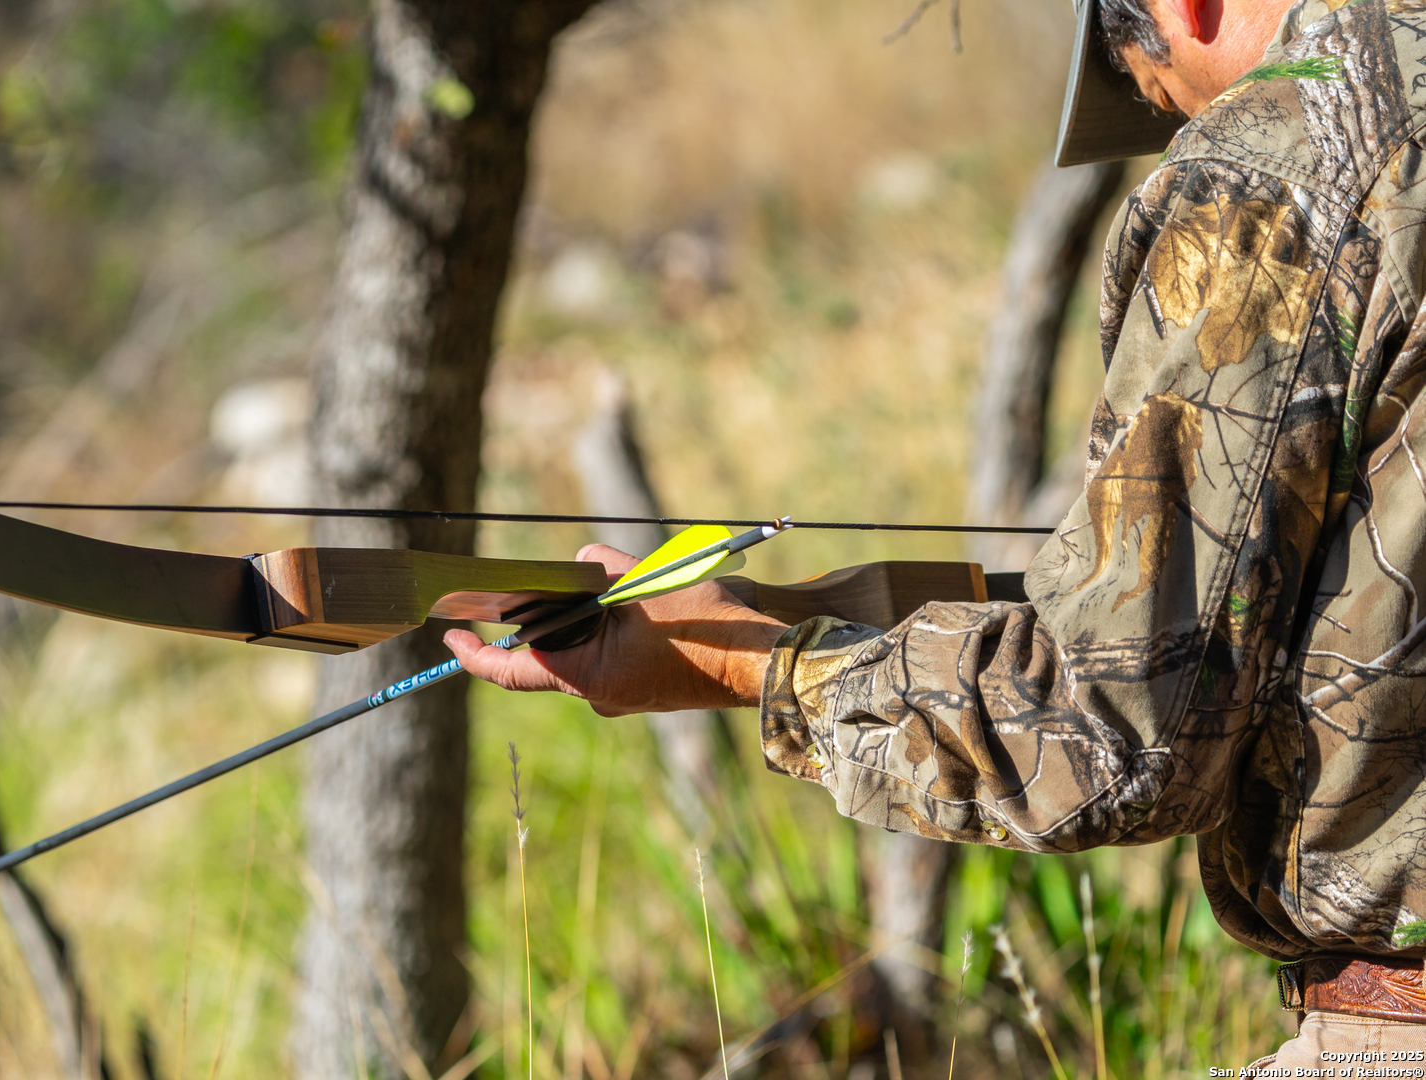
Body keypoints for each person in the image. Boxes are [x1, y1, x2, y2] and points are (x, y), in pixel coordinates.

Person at [447, 0, 1426, 1066]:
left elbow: (1107, 732)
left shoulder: (1280, 157)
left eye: (1166, 99)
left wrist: (753, 670)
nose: (1194, 123)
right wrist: (786, 618)